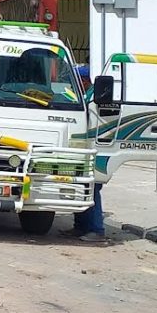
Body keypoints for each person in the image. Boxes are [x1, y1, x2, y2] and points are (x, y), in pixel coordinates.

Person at [62, 64, 107, 242]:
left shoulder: (93, 96)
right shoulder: (83, 94)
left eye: (79, 79)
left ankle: (97, 229)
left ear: (86, 80)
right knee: (80, 187)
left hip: (93, 148)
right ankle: (80, 226)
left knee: (92, 188)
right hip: (82, 147)